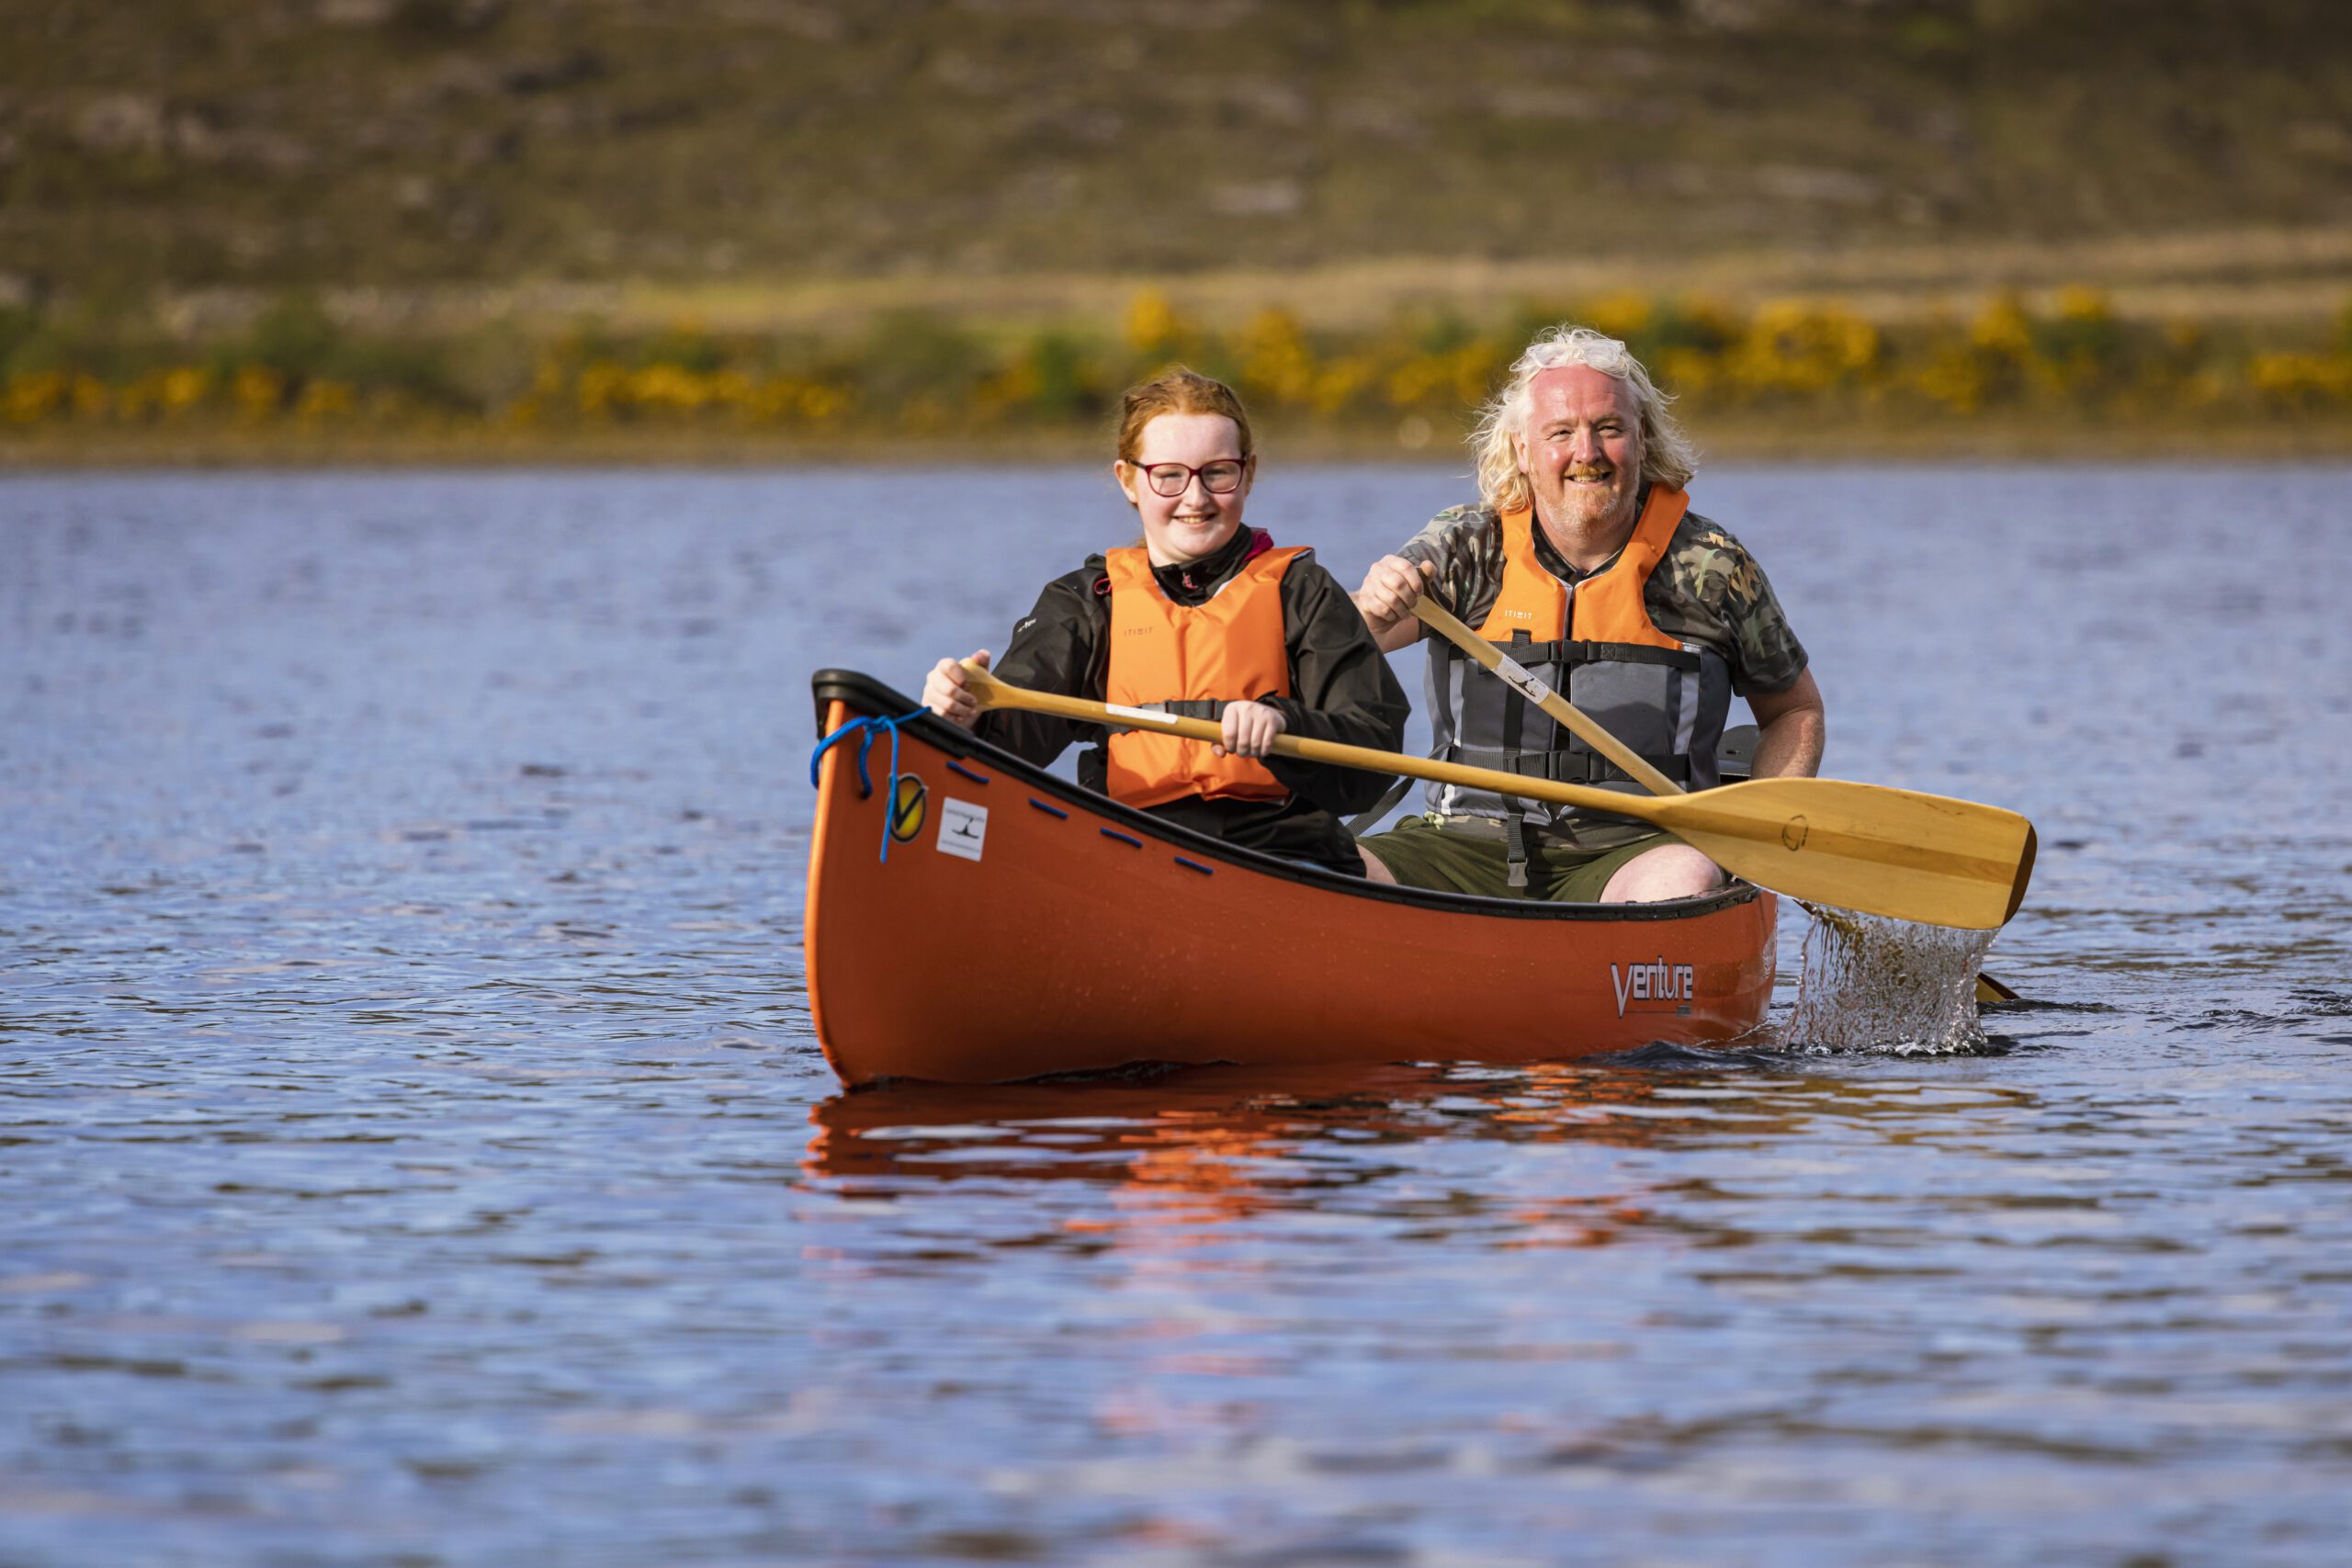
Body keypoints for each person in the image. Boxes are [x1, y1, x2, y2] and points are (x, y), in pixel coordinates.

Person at [1351, 325, 1826, 899]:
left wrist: (1758, 840)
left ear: (1641, 439)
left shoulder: (1711, 567)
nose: (1588, 453)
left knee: (1685, 878)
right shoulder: (1466, 546)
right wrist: (1375, 604)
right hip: (1460, 850)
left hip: (1639, 851)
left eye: (1609, 429)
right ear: (1523, 451)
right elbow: (1349, 640)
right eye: (1561, 433)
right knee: (1329, 862)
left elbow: (1794, 709)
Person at [922, 368, 1408, 876]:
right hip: (1126, 849)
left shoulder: (1303, 593)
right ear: (1129, 480)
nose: (1195, 498)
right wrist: (962, 714)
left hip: (1280, 856)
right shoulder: (1087, 602)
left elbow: (1371, 760)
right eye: (1170, 475)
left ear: (1249, 471)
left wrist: (1285, 723)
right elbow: (1005, 744)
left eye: (1217, 472)